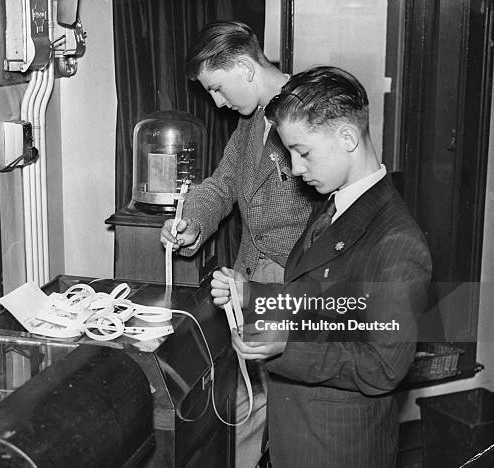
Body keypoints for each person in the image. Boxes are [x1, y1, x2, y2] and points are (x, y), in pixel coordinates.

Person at [210, 66, 432, 467]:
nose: (295, 168)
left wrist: (286, 347)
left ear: (347, 137)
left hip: (337, 449)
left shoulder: (396, 241)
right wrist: (252, 294)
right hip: (298, 435)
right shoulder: (333, 205)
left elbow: (383, 366)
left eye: (303, 152)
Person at [159, 20, 314, 468]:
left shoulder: (312, 108)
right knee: (244, 403)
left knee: (292, 415)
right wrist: (190, 222)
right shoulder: (251, 124)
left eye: (218, 88)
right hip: (250, 284)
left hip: (295, 285)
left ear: (246, 68)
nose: (217, 102)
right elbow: (223, 185)